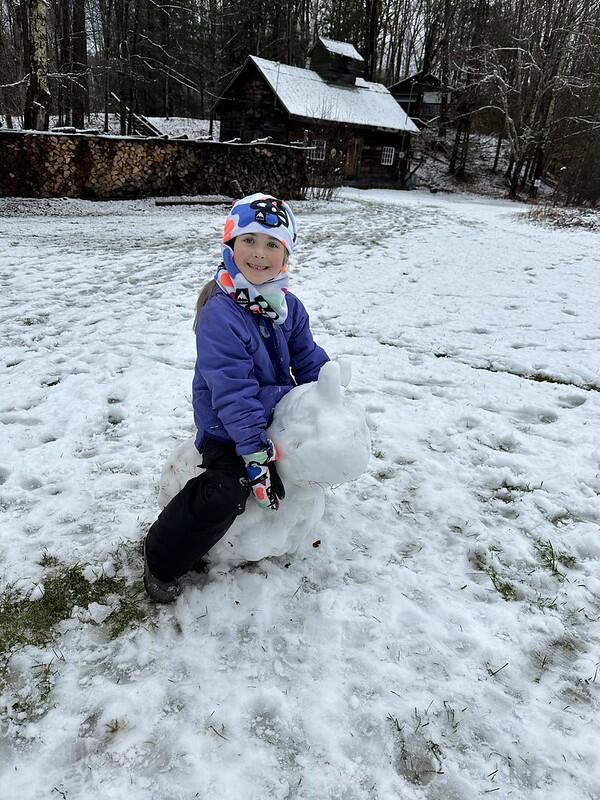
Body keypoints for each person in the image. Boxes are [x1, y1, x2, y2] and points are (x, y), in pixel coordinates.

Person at [143, 193, 330, 602]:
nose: (259, 254)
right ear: (230, 244)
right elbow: (232, 391)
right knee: (228, 489)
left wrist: (329, 400)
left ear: (286, 255)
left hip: (272, 414)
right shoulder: (220, 312)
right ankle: (161, 556)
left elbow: (307, 358)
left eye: (272, 245)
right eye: (248, 240)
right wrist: (254, 455)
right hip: (228, 427)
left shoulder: (288, 306)